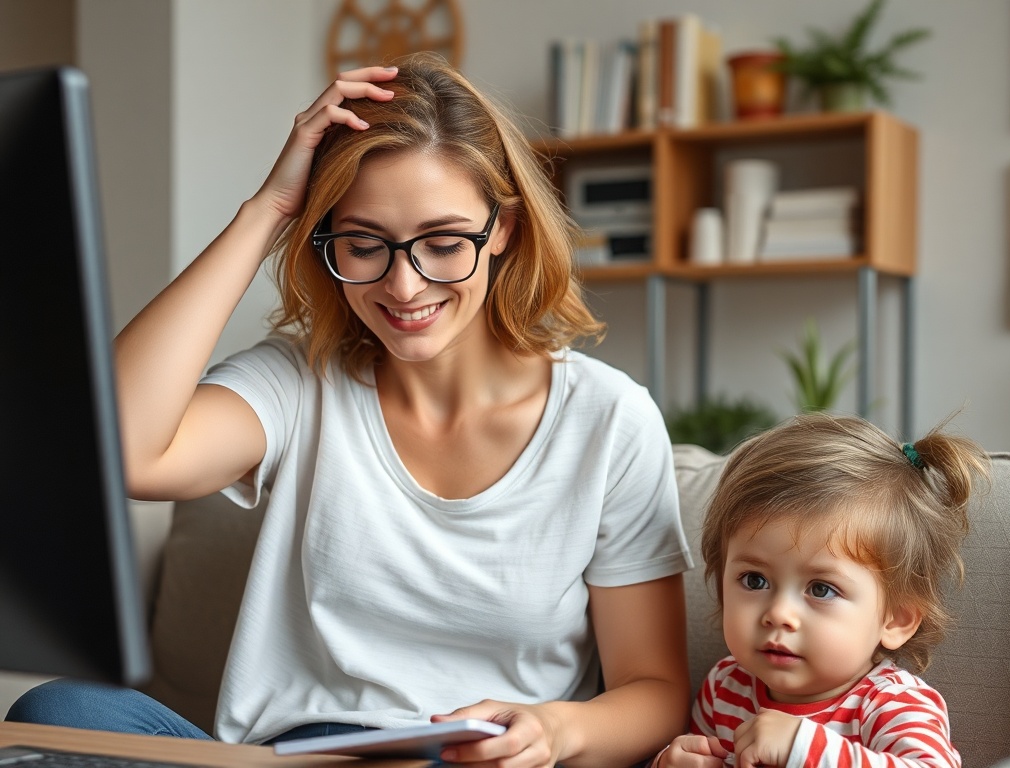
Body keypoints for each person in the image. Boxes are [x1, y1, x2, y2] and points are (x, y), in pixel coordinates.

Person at [7, 53, 693, 767]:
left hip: (459, 761)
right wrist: (266, 210)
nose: (403, 284)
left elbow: (653, 689)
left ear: (506, 231)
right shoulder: (297, 382)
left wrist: (553, 730)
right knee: (57, 714)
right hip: (293, 758)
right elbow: (118, 451)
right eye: (364, 244)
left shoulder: (609, 420)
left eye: (443, 242)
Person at [653, 411, 989, 768]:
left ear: (896, 619)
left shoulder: (890, 703)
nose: (779, 613)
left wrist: (805, 748)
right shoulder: (724, 687)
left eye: (822, 589)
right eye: (755, 580)